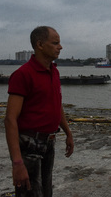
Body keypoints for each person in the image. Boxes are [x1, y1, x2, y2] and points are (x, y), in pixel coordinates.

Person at [4, 26, 74, 197]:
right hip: (29, 145)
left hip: (49, 142)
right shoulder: (23, 75)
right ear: (40, 45)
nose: (60, 47)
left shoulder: (54, 71)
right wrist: (17, 163)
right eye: (55, 43)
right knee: (29, 193)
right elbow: (10, 119)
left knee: (45, 192)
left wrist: (68, 132)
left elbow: (56, 105)